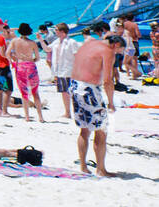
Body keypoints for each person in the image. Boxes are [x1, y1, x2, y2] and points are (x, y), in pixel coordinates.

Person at [70, 24, 120, 176]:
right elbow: (107, 81)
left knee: (84, 130)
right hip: (90, 90)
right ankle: (101, 169)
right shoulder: (108, 51)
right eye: (119, 50)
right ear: (116, 45)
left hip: (75, 86)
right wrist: (111, 102)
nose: (118, 53)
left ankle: (83, 166)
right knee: (101, 130)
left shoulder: (90, 45)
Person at [8, 22, 46, 123]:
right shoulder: (33, 43)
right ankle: (40, 117)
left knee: (24, 93)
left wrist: (13, 60)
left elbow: (7, 53)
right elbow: (38, 58)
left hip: (20, 66)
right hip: (31, 66)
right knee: (35, 92)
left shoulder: (14, 41)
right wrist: (31, 60)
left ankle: (27, 117)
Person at [47, 22, 80, 120]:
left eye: (56, 30)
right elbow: (48, 49)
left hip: (70, 70)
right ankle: (67, 112)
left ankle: (77, 112)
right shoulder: (57, 41)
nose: (55, 32)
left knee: (74, 92)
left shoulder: (72, 42)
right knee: (64, 92)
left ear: (62, 31)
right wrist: (40, 39)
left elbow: (77, 56)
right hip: (60, 71)